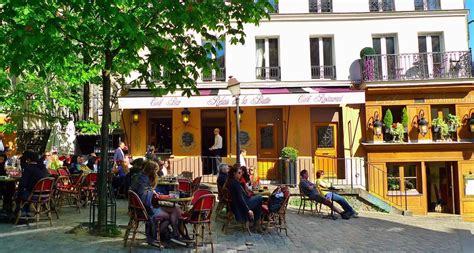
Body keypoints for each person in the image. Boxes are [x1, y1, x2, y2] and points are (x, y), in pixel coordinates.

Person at [130, 161, 186, 247]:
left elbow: (147, 194)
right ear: (152, 171)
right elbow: (147, 201)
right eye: (155, 171)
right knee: (170, 216)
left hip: (141, 207)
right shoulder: (144, 180)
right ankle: (168, 235)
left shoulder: (139, 177)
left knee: (176, 209)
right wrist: (155, 195)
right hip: (145, 209)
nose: (156, 173)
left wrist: (154, 194)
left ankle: (175, 234)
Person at [224, 164, 264, 233]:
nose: (241, 174)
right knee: (260, 197)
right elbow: (240, 199)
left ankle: (256, 225)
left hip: (236, 204)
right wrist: (248, 210)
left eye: (241, 173)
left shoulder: (232, 181)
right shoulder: (235, 183)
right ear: (234, 173)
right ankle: (256, 225)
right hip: (240, 206)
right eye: (239, 173)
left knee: (257, 203)